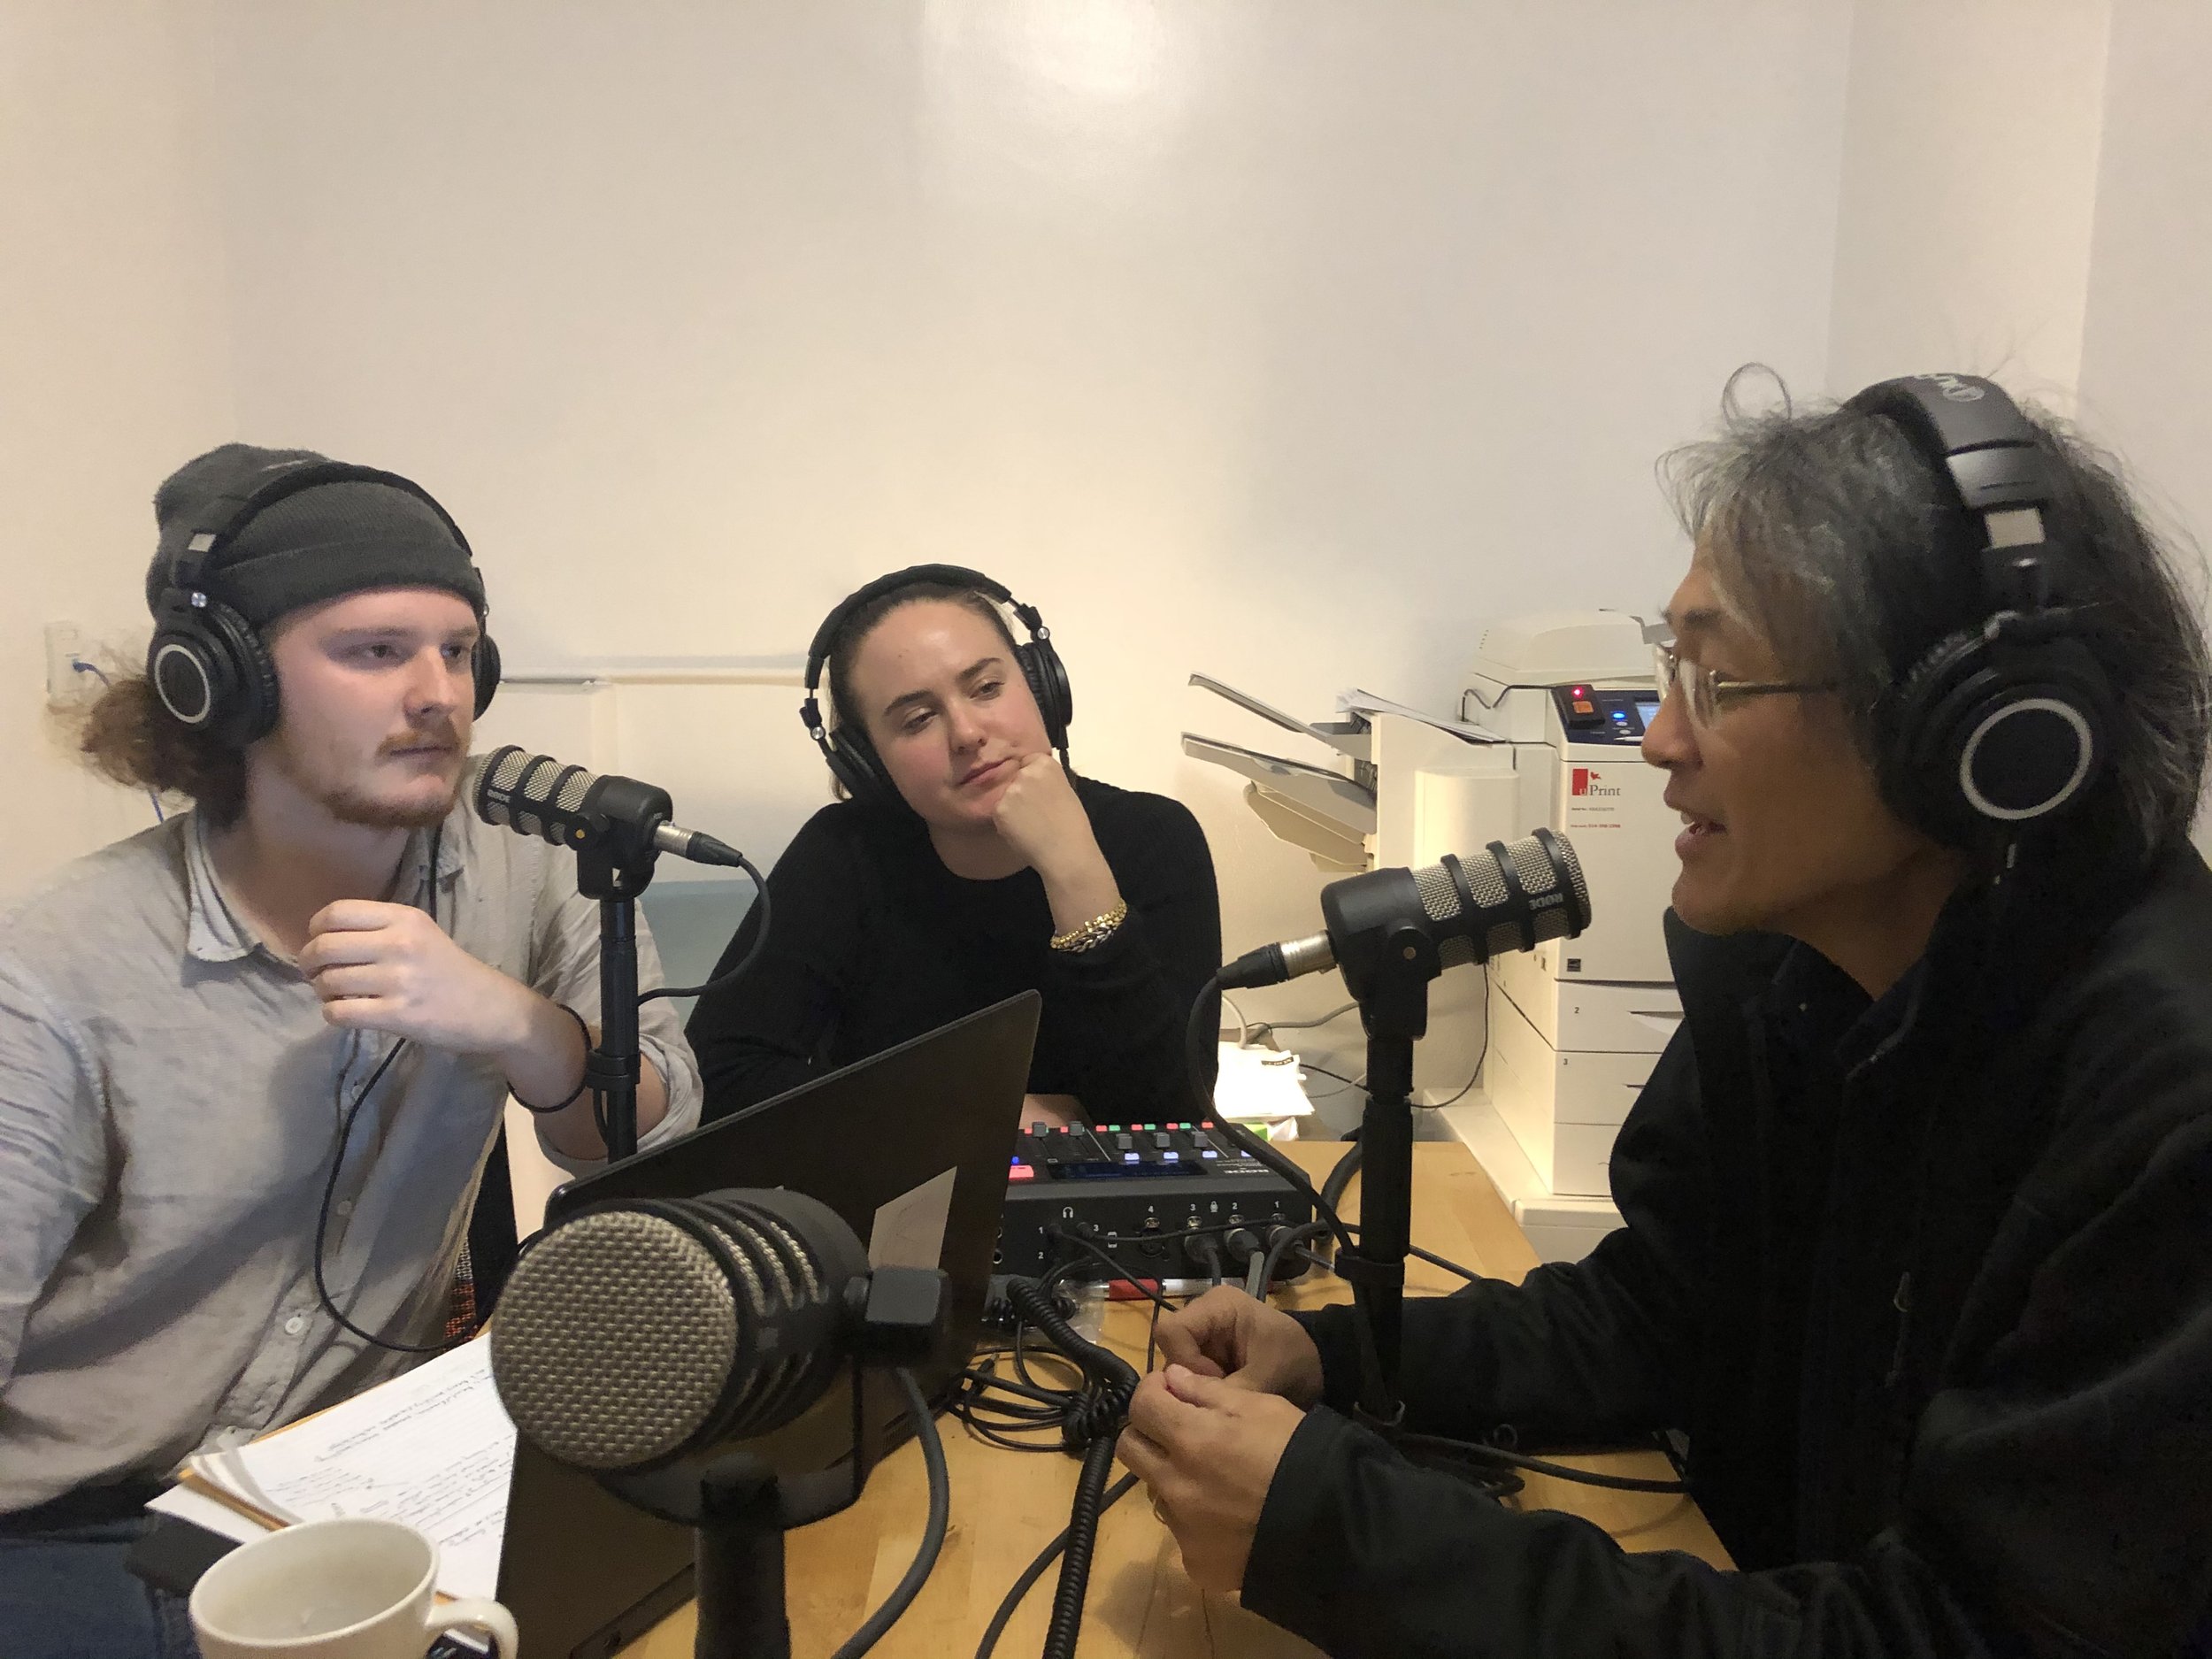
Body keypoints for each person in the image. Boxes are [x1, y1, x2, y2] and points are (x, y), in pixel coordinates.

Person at [1118, 376, 2212, 1658]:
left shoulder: (2168, 1117)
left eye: (1721, 679)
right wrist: (1329, 1357)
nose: (1659, 738)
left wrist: (1338, 1532)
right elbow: (1655, 1316)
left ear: (1961, 732)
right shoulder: (1806, 971)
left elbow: (1956, 1636)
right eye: (1668, 666)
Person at [0, 445, 702, 1658]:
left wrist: (517, 1023)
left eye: (460, 649)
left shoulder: (532, 859)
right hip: (69, 1527)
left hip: (346, 1489)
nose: (440, 691)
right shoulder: (59, 966)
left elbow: (638, 1128)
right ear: (219, 688)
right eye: (376, 651)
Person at [687, 565, 1219, 1128]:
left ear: (1041, 687)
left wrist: (1076, 874)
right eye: (917, 719)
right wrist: (975, 1117)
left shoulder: (1155, 836)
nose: (967, 733)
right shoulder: (843, 854)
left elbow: (1168, 1121)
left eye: (987, 688)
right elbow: (718, 1079)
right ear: (869, 763)